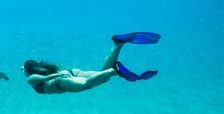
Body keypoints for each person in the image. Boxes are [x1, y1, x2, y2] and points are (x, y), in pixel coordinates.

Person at [22, 32, 161, 94]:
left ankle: (115, 70)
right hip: (70, 73)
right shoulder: (45, 67)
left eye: (23, 70)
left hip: (60, 82)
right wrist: (63, 73)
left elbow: (41, 78)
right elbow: (32, 69)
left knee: (87, 84)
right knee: (102, 76)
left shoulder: (31, 79)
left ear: (29, 71)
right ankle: (118, 44)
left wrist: (57, 76)